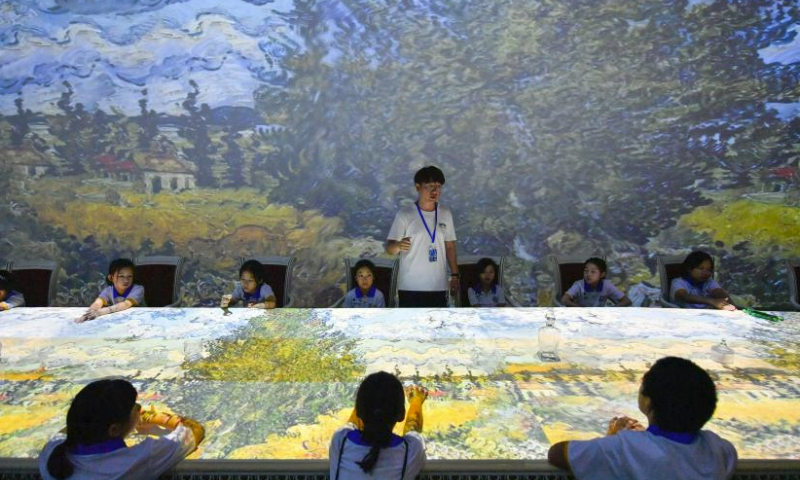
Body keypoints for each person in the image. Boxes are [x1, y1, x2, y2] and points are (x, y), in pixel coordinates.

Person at [548, 356, 737, 480]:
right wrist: (646, 436)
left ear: (647, 403)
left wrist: (614, 438)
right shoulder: (721, 449)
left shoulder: (624, 448)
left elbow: (557, 453)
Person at [39, 378, 205, 480]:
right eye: (135, 407)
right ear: (114, 429)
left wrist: (127, 422)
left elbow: (76, 426)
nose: (139, 409)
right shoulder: (137, 460)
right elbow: (194, 431)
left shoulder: (51, 452)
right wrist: (154, 417)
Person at [330, 371, 427, 480]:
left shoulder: (341, 440)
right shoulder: (410, 450)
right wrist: (416, 400)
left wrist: (370, 399)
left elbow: (352, 423)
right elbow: (413, 429)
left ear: (359, 411)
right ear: (401, 414)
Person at [386, 166, 458, 307]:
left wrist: (455, 275)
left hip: (439, 286)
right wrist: (399, 246)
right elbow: (389, 249)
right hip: (410, 286)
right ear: (417, 187)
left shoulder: (445, 213)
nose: (435, 191)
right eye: (430, 186)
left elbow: (450, 247)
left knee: (437, 327)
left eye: (438, 186)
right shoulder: (405, 214)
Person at [77, 259, 145, 323]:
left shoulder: (138, 289)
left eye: (129, 276)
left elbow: (126, 304)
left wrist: (99, 312)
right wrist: (89, 314)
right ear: (111, 278)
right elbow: (98, 303)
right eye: (121, 276)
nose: (126, 280)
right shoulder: (108, 290)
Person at [670, 251, 735, 310]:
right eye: (701, 268)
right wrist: (711, 301)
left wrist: (727, 302)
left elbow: (719, 293)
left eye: (709, 270)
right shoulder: (678, 282)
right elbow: (683, 296)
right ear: (689, 269)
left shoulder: (709, 282)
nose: (705, 273)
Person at [561, 257, 632, 307]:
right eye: (586, 271)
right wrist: (579, 309)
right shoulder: (579, 285)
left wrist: (613, 309)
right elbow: (564, 300)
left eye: (593, 272)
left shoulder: (607, 285)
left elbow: (627, 301)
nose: (588, 274)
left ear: (602, 274)